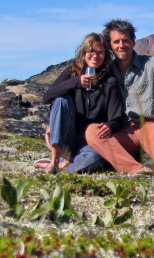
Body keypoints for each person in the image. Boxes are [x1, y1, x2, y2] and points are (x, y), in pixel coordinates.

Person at [85, 19, 154, 177]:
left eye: (125, 40)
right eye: (116, 42)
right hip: (121, 131)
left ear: (133, 41)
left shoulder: (151, 63)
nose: (121, 45)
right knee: (92, 131)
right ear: (110, 45)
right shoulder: (105, 71)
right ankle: (135, 169)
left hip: (150, 124)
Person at [34, 33, 125, 174]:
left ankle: (60, 168)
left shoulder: (110, 82)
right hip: (68, 136)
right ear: (84, 52)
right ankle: (54, 161)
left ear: (105, 56)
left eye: (100, 52)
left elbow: (117, 118)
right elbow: (48, 96)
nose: (95, 55)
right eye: (91, 51)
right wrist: (76, 82)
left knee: (94, 158)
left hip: (90, 141)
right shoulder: (72, 72)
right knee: (60, 100)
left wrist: (110, 126)